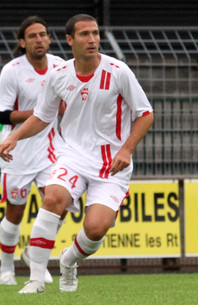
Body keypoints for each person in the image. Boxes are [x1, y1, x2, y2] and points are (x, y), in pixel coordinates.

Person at [0, 14, 154, 293]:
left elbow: (146, 114)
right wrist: (14, 135)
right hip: (72, 155)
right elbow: (42, 116)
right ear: (70, 40)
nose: (92, 39)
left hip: (111, 165)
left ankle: (69, 260)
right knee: (53, 198)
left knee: (96, 229)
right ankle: (35, 279)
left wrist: (127, 150)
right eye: (85, 34)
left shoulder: (118, 71)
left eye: (95, 33)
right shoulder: (59, 75)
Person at [0, 16, 66, 286]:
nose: (39, 40)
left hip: (51, 150)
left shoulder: (61, 66)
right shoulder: (12, 71)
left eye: (43, 34)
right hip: (17, 151)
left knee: (59, 203)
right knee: (15, 212)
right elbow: (2, 115)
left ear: (49, 38)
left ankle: (34, 255)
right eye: (33, 36)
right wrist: (41, 112)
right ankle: (6, 269)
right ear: (22, 42)